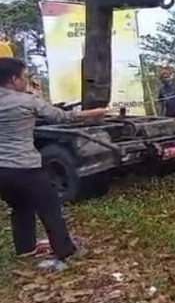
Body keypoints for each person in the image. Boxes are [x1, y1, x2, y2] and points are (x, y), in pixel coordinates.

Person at [0, 58, 107, 264]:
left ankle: (25, 250)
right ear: (14, 79)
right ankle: (65, 251)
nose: (26, 81)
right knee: (50, 208)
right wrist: (96, 112)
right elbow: (62, 117)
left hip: (2, 171)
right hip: (26, 167)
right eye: (24, 77)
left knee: (20, 208)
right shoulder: (26, 101)